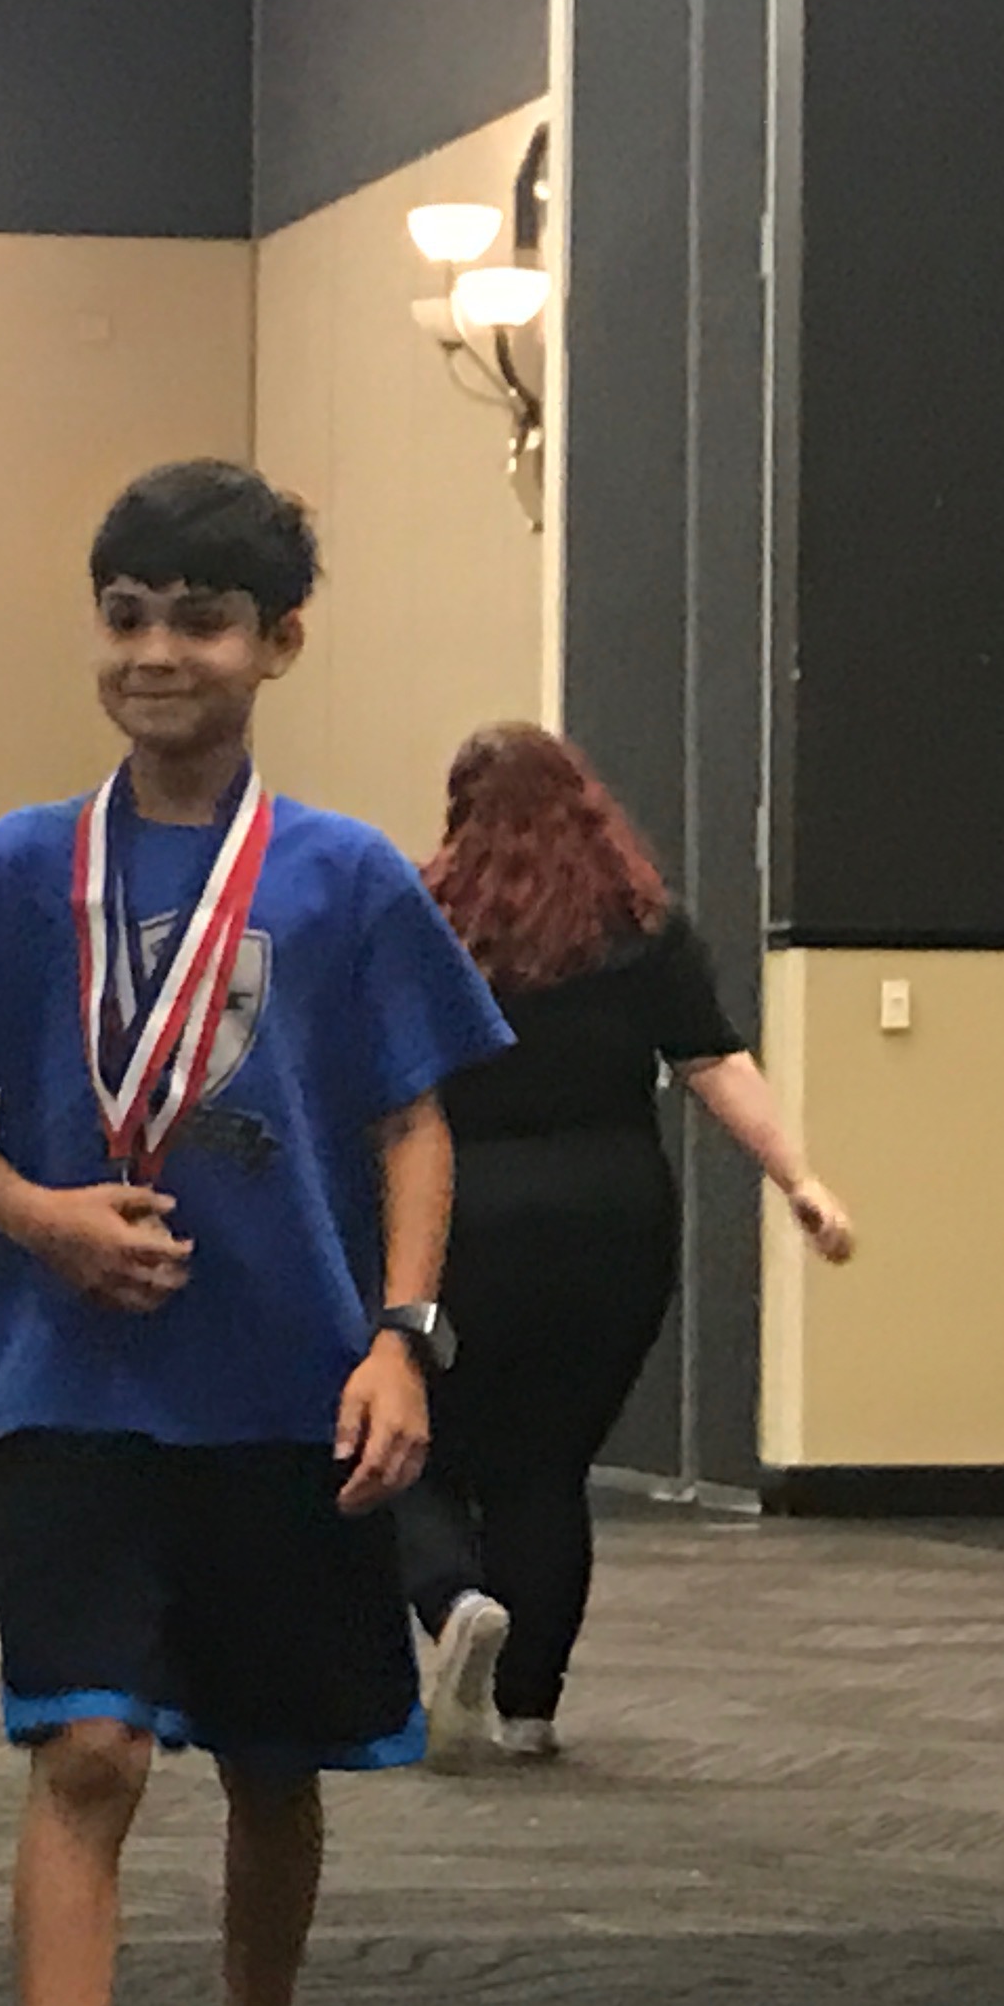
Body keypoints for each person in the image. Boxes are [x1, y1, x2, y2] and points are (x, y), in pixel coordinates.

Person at [0, 461, 512, 2006]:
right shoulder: (10, 869)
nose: (157, 652)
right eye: (127, 613)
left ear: (276, 645)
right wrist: (39, 1215)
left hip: (284, 1387)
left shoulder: (342, 877)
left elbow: (411, 1115)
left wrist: (400, 1334)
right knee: (84, 1751)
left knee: (269, 1754)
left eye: (200, 620)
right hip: (71, 1386)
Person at [404, 725, 855, 1765]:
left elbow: (381, 1085)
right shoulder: (642, 925)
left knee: (412, 1439)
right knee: (549, 1465)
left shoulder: (429, 924)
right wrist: (800, 1180)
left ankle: (453, 1598)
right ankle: (528, 1712)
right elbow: (716, 1064)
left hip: (467, 1209)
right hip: (614, 1213)